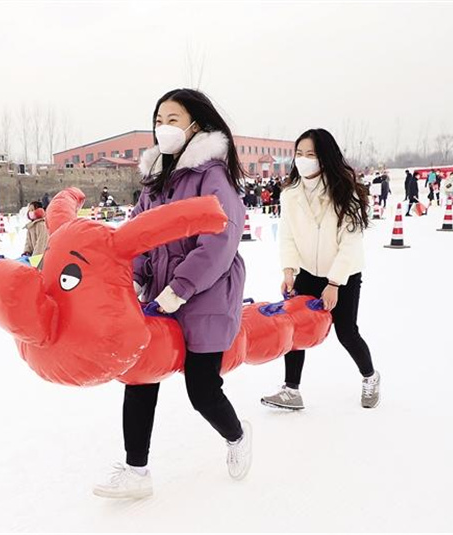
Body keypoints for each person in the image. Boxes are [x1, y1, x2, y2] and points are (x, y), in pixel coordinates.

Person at [93, 88, 251, 500]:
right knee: (140, 376)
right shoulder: (155, 180)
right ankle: (136, 471)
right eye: (159, 119)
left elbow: (219, 240)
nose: (164, 127)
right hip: (158, 295)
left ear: (197, 124)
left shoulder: (211, 177)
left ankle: (236, 436)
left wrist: (179, 289)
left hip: (206, 295)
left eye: (173, 119)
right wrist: (136, 277)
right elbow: (138, 235)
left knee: (202, 391)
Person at [261, 128, 380, 411]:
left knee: (347, 332)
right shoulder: (290, 194)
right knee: (293, 328)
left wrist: (335, 283)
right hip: (306, 273)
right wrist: (288, 270)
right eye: (299, 154)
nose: (303, 160)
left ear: (324, 158)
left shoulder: (344, 192)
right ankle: (291, 390)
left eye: (310, 154)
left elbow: (350, 244)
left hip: (343, 274)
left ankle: (370, 377)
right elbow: (287, 234)